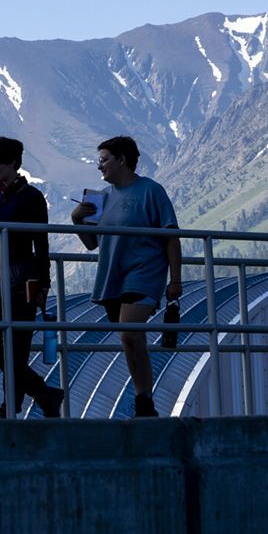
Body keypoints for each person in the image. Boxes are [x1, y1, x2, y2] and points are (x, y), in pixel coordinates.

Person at [70, 135, 181, 418]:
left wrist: (175, 279)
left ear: (122, 160)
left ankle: (144, 400)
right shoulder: (101, 198)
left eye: (104, 160)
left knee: (130, 333)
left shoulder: (151, 191)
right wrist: (77, 220)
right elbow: (91, 243)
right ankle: (143, 397)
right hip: (112, 276)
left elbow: (171, 236)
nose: (100, 167)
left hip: (144, 273)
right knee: (128, 337)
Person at [0, 136, 64, 419]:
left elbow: (41, 242)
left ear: (12, 163)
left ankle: (13, 406)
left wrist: (43, 282)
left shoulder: (32, 198)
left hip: (21, 276)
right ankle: (45, 394)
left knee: (16, 346)